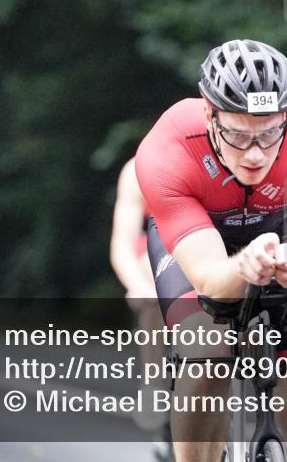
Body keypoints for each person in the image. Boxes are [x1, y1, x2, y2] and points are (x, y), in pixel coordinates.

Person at [136, 39, 287, 462]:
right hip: (201, 240)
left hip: (285, 232)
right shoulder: (168, 149)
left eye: (270, 133)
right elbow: (213, 284)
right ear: (209, 115)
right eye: (238, 135)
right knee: (206, 352)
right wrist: (245, 265)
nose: (255, 154)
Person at [108, 157, 173, 459]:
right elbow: (122, 244)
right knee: (151, 273)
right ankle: (154, 382)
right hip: (158, 254)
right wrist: (138, 286)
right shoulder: (137, 170)